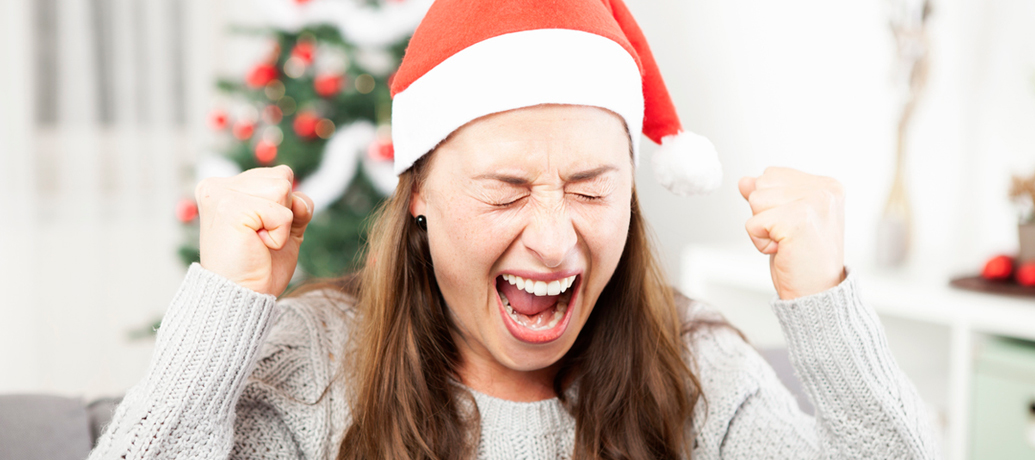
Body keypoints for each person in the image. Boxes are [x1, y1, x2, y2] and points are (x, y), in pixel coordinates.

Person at [89, 0, 937, 458]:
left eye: (591, 188)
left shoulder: (698, 369)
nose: (555, 240)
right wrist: (224, 303)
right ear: (416, 191)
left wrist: (826, 306)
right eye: (504, 190)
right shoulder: (312, 366)